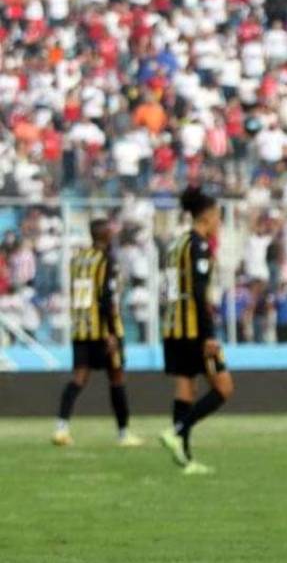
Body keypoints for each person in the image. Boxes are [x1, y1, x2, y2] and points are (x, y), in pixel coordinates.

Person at [158, 187, 235, 474]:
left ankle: (185, 458)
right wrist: (209, 335)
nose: (218, 222)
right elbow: (199, 292)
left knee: (186, 388)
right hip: (194, 330)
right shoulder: (199, 245)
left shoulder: (176, 244)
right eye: (217, 216)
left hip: (173, 326)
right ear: (208, 215)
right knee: (224, 387)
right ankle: (176, 431)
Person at [51, 218, 143, 447]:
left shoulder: (79, 258)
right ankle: (123, 433)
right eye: (110, 232)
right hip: (103, 329)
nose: (113, 236)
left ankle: (61, 428)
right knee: (117, 377)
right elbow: (106, 298)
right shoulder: (106, 260)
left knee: (79, 378)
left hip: (81, 328)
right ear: (103, 235)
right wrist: (111, 332)